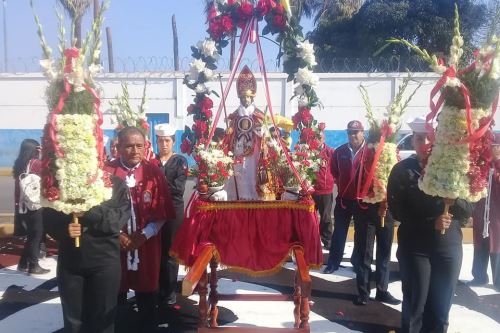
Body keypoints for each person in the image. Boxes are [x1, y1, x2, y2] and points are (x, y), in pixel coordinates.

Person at [387, 116, 473, 333]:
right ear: (413, 141)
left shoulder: (452, 169)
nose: (424, 143)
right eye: (418, 138)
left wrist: (454, 201)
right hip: (416, 247)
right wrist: (430, 223)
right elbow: (398, 211)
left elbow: (468, 210)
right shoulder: (401, 171)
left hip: (448, 247)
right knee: (416, 305)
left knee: (441, 309)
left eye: (429, 138)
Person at [106, 126, 175, 332]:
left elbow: (163, 211)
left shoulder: (153, 172)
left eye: (139, 146)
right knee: (114, 293)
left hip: (146, 244)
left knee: (147, 294)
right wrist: (117, 235)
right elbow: (99, 210)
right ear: (118, 147)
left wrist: (145, 234)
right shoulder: (107, 172)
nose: (135, 150)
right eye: (129, 146)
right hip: (113, 244)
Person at [43, 175, 131, 333]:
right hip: (71, 265)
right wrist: (64, 229)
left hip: (104, 264)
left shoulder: (114, 183)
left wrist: (88, 211)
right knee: (73, 323)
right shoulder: (62, 179)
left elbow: (117, 219)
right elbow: (47, 215)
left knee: (103, 322)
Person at [352, 141, 400, 306]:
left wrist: (387, 200)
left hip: (387, 210)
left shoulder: (392, 155)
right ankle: (363, 292)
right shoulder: (364, 156)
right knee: (365, 252)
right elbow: (356, 182)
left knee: (385, 252)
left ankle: (382, 290)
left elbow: (397, 181)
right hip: (367, 209)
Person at [224, 65, 273, 200]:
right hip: (238, 149)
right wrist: (230, 130)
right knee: (238, 173)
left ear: (252, 98)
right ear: (240, 98)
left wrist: (261, 130)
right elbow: (232, 130)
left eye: (248, 97)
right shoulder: (235, 115)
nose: (246, 100)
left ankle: (253, 196)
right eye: (243, 97)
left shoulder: (258, 114)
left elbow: (265, 133)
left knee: (251, 173)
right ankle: (237, 197)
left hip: (254, 152)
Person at [323, 120, 365, 273]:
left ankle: (357, 262)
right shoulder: (339, 152)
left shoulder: (370, 151)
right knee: (339, 232)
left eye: (356, 132)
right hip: (344, 199)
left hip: (362, 201)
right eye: (349, 132)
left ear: (362, 132)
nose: (352, 135)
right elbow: (334, 172)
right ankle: (333, 263)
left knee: (361, 233)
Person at [154, 123, 188, 305]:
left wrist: (156, 185)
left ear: (173, 142)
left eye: (167, 141)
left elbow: (178, 189)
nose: (164, 144)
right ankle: (154, 288)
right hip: (153, 211)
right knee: (154, 250)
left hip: (173, 212)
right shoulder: (152, 161)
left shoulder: (179, 161)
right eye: (160, 141)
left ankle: (168, 291)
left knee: (170, 252)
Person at [13, 138, 49, 275]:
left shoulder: (20, 164)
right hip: (35, 205)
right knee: (36, 235)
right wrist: (44, 154)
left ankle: (23, 263)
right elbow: (48, 170)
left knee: (31, 234)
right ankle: (33, 265)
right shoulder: (36, 163)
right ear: (35, 150)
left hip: (24, 205)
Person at [469, 133, 500, 290]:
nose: (493, 149)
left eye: (496, 146)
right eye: (491, 146)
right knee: (480, 243)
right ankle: (479, 276)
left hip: (496, 215)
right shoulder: (482, 165)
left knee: (496, 244)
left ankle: (498, 280)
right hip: (481, 212)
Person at [312, 128, 335, 249]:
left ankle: (327, 241)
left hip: (326, 190)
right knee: (310, 217)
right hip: (311, 190)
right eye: (315, 137)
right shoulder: (308, 151)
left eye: (319, 137)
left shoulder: (330, 152)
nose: (317, 140)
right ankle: (311, 240)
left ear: (324, 138)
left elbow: (336, 169)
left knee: (326, 217)